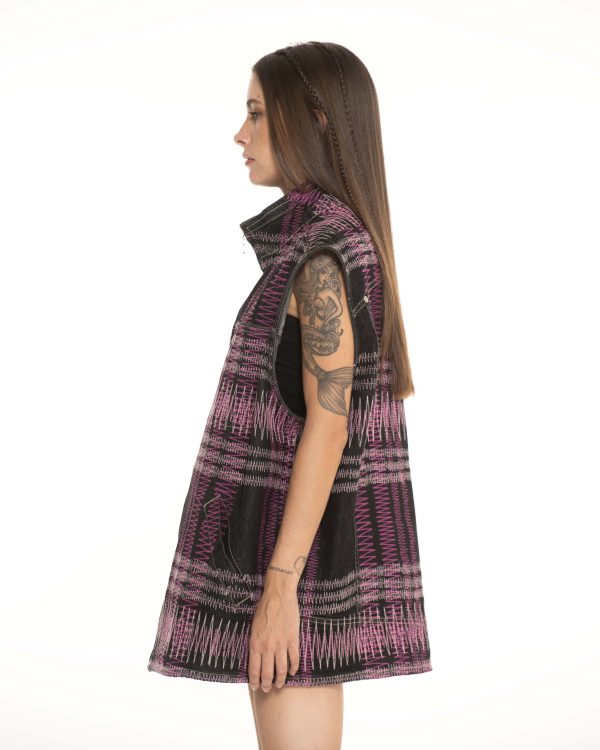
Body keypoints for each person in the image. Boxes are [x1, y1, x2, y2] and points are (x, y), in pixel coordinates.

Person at [148, 41, 432, 750]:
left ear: (314, 121)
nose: (239, 135)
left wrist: (280, 588)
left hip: (294, 561)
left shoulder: (323, 255)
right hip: (295, 549)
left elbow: (329, 429)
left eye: (255, 114)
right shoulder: (326, 244)